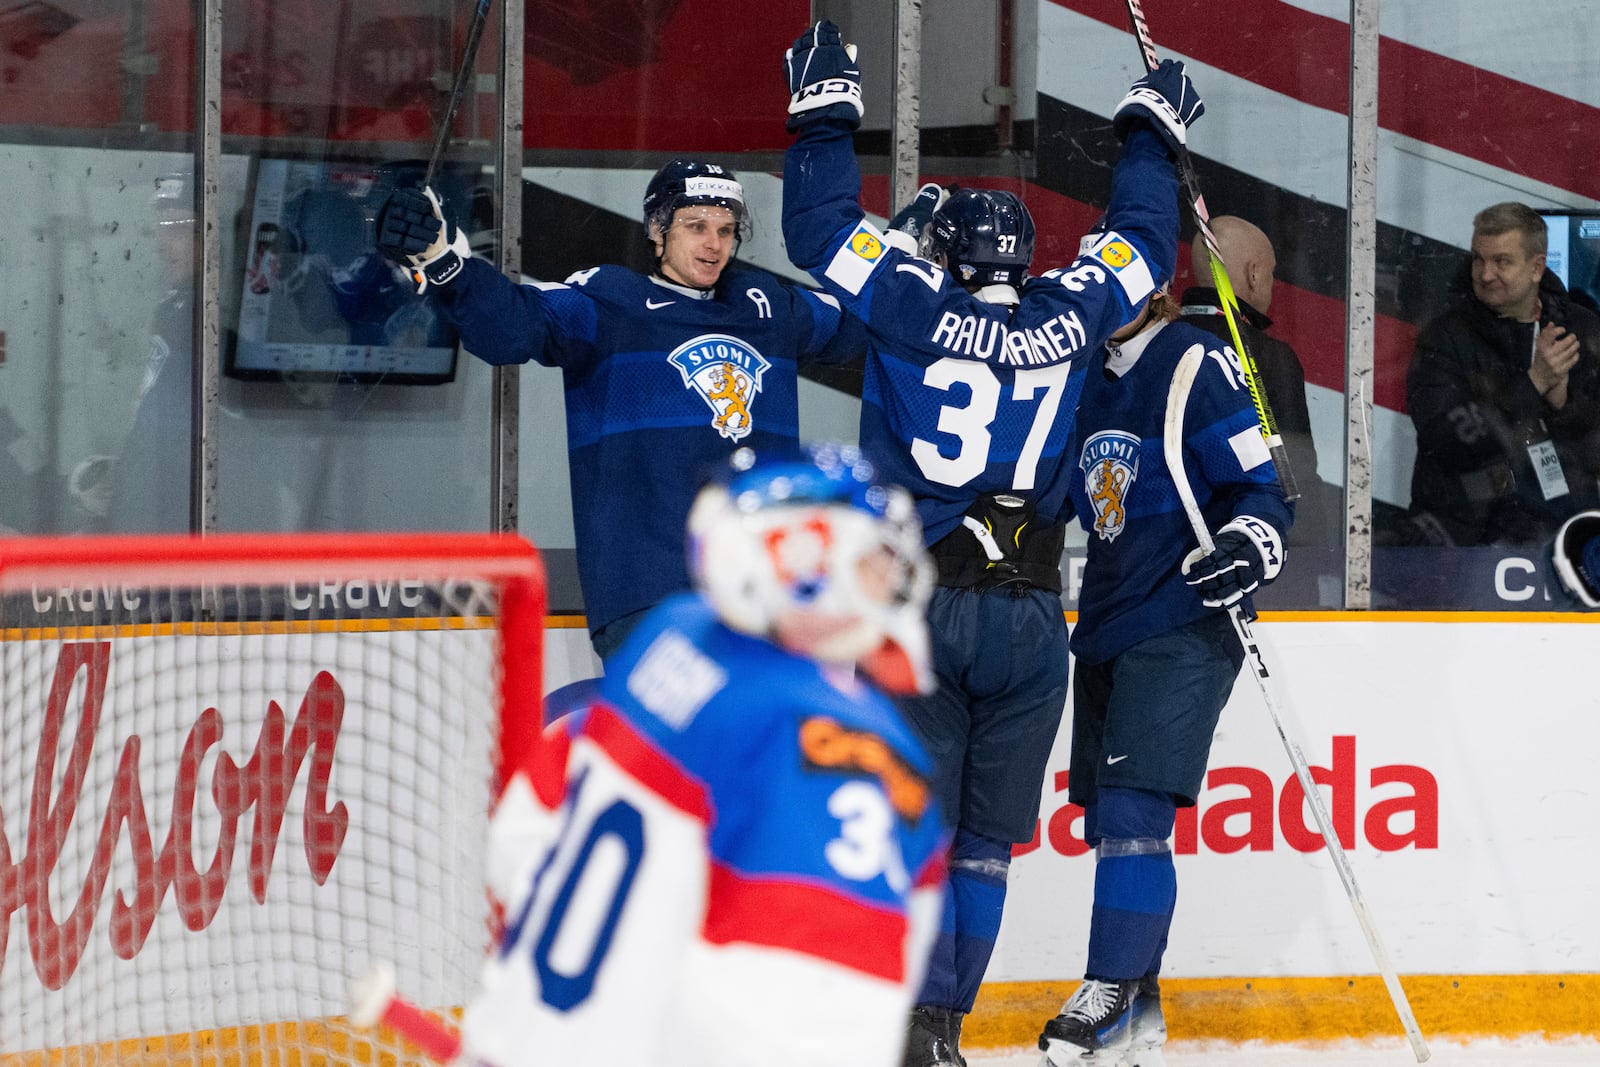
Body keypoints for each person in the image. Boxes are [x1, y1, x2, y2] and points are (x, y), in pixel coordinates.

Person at [779, 20, 1202, 1066]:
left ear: (951, 256)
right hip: (1029, 624)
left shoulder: (913, 300)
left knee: (909, 831)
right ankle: (943, 1030)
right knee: (980, 848)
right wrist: (1148, 136)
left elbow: (820, 225)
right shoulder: (1070, 310)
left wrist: (826, 111)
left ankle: (901, 1024)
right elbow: (1144, 246)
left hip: (924, 607)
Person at [452, 442, 949, 1067]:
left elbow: (520, 837)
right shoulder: (849, 745)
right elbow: (810, 1020)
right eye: (873, 556)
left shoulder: (670, 635)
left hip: (513, 1038)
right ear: (800, 561)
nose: (891, 576)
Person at [374, 160, 867, 659]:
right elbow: (512, 327)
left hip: (767, 595)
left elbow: (864, 324)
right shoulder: (610, 302)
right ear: (657, 228)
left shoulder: (767, 306)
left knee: (768, 739)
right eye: (695, 227)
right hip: (651, 594)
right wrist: (445, 262)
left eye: (726, 230)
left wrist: (908, 269)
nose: (714, 245)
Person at [1035, 282, 1292, 1066]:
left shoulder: (1198, 361)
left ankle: (1106, 994)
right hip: (1107, 625)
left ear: (1153, 295)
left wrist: (1248, 546)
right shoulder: (1084, 375)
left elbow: (1267, 490)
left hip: (1182, 621)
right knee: (1110, 823)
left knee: (1135, 811)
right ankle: (1141, 1012)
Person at [1406, 201, 1600, 547]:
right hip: (1465, 545)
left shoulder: (1582, 329)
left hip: (1564, 541)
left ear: (1536, 267)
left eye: (1502, 261)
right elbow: (1444, 442)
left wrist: (1563, 402)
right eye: (1478, 258)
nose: (1484, 274)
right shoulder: (1445, 336)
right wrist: (1535, 383)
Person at [1179, 215, 1337, 547]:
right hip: (1244, 553)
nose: (1271, 283)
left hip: (1159, 556)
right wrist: (1318, 562)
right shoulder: (1269, 357)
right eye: (1271, 272)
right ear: (1254, 274)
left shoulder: (1154, 343)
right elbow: (1294, 471)